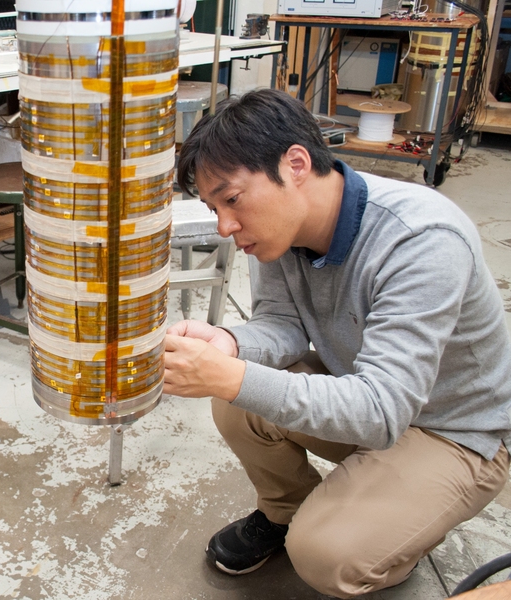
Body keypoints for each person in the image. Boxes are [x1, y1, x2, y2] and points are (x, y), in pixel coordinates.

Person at [163, 88, 511, 598]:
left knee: (327, 557)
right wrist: (229, 343)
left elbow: (383, 409)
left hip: (453, 429)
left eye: (232, 199)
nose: (225, 226)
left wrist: (231, 374)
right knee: (237, 402)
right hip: (367, 392)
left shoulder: (421, 238)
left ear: (296, 163)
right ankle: (287, 513)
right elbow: (282, 323)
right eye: (214, 208)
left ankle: (384, 543)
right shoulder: (283, 228)